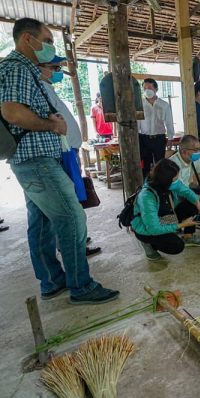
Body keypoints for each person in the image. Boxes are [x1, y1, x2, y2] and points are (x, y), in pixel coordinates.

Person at [0, 18, 118, 304]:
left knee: (41, 222)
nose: (50, 47)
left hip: (34, 160)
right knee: (72, 218)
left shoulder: (25, 70)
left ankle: (52, 281)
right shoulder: (16, 67)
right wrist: (52, 125)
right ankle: (81, 285)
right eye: (48, 40)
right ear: (28, 39)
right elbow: (12, 112)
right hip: (37, 160)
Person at [39, 56, 102, 257]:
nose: (58, 71)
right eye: (54, 67)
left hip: (69, 152)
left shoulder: (48, 87)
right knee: (68, 205)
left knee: (73, 200)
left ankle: (77, 238)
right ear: (40, 67)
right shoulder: (40, 89)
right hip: (62, 154)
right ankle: (74, 244)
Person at [131, 159, 200, 260]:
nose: (177, 181)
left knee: (192, 203)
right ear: (166, 180)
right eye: (175, 179)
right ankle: (148, 243)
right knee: (176, 246)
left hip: (161, 218)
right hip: (146, 228)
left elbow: (185, 190)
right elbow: (153, 229)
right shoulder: (147, 197)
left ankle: (188, 237)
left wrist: (198, 204)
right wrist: (182, 225)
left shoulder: (164, 182)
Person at [138, 78, 175, 177]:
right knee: (145, 165)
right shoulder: (139, 105)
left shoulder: (164, 105)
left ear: (156, 89)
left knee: (160, 165)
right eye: (145, 88)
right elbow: (136, 123)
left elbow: (169, 122)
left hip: (159, 138)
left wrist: (170, 138)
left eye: (150, 87)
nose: (147, 90)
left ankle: (160, 186)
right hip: (144, 139)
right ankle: (146, 186)